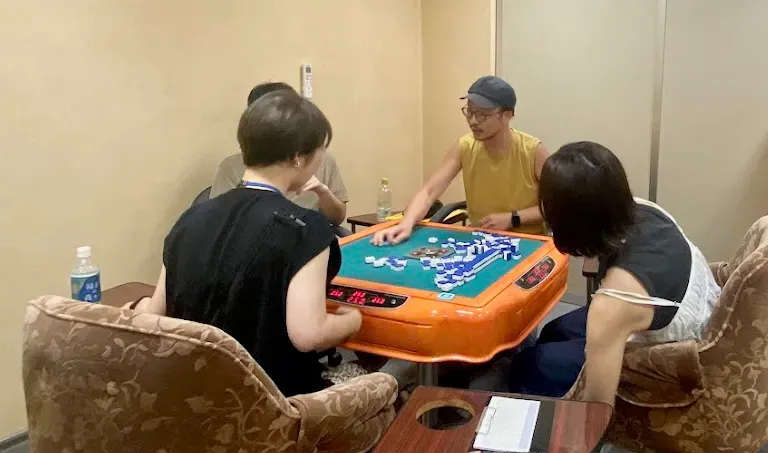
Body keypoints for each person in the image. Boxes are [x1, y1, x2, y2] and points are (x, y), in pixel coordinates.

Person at [128, 90, 362, 397]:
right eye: (320, 149)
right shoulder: (306, 229)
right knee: (389, 382)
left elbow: (155, 312)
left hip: (189, 394)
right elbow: (309, 333)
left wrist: (132, 307)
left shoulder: (190, 218)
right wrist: (352, 320)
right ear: (298, 157)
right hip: (270, 403)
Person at [507, 141, 721, 405]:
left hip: (673, 357)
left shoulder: (612, 303)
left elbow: (597, 406)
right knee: (554, 330)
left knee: (529, 365)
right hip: (694, 311)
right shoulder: (645, 210)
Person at [372, 75, 549, 246]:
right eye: (469, 112)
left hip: (529, 241)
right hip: (480, 240)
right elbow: (429, 192)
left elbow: (557, 207)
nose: (473, 121)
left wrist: (513, 218)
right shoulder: (464, 146)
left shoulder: (533, 151)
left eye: (482, 115)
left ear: (507, 115)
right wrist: (406, 224)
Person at [210, 82, 349, 226]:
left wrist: (322, 192)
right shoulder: (231, 168)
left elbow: (337, 218)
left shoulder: (320, 159)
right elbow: (219, 220)